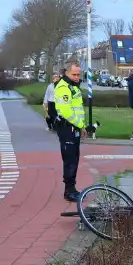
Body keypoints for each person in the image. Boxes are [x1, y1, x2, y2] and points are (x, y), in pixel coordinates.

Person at [53, 62, 87, 202]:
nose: (77, 77)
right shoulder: (63, 88)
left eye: (79, 74)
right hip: (67, 128)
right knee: (70, 160)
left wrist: (81, 126)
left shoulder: (73, 87)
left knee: (74, 158)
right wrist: (80, 124)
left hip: (74, 128)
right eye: (74, 74)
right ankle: (69, 191)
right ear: (66, 73)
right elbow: (67, 112)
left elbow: (77, 109)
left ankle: (72, 188)